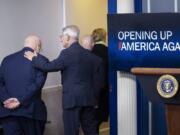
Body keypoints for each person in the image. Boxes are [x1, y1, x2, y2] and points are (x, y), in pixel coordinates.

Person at [24, 25, 104, 135]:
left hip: (72, 100)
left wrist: (34, 58)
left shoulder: (67, 53)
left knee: (71, 131)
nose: (60, 39)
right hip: (89, 99)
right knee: (90, 130)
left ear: (68, 37)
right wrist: (94, 98)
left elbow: (49, 66)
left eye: (61, 36)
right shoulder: (92, 57)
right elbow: (98, 82)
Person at [0, 35, 48, 135]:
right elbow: (37, 85)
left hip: (8, 112)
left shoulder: (6, 59)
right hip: (30, 112)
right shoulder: (41, 60)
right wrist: (19, 100)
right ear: (38, 47)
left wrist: (6, 100)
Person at [91, 28, 109, 128]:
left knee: (92, 123)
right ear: (104, 36)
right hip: (105, 91)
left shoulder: (89, 52)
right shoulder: (109, 52)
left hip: (90, 92)